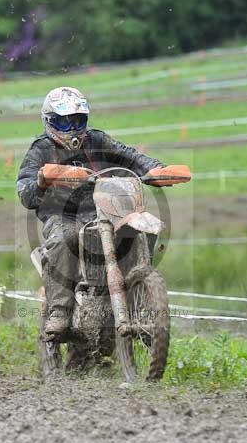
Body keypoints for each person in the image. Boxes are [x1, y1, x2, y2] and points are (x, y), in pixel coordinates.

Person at [17, 86, 165, 336]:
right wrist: (42, 181)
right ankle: (59, 311)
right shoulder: (40, 150)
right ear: (50, 123)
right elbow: (25, 192)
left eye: (78, 121)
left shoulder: (97, 140)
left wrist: (156, 169)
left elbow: (128, 156)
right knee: (65, 237)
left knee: (135, 230)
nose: (73, 128)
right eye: (64, 124)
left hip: (104, 210)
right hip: (63, 216)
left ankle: (142, 296)